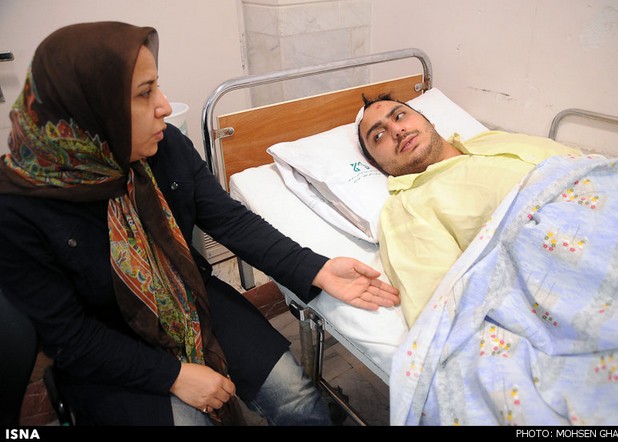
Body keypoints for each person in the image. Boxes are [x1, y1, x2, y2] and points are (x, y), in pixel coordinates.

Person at [0, 22, 399, 426]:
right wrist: (172, 376)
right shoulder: (18, 210)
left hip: (187, 295)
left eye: (157, 86)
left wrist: (315, 268)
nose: (164, 106)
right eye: (144, 93)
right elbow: (70, 336)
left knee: (295, 396)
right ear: (90, 109)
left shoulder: (165, 147)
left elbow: (231, 221)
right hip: (105, 342)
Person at [356, 93, 580, 327]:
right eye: (378, 135)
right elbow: (442, 313)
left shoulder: (490, 139)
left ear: (428, 120)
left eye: (400, 116)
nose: (397, 131)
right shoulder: (406, 208)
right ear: (375, 164)